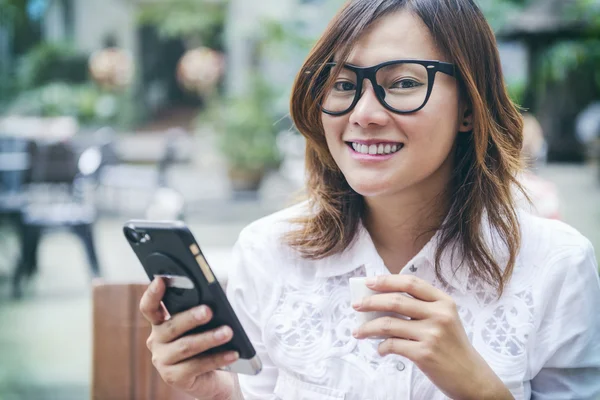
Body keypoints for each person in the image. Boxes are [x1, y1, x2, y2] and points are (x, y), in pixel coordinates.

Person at [139, 0, 600, 399]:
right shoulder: (267, 252)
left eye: (402, 84)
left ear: (468, 106)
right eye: (342, 84)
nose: (364, 114)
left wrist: (479, 388)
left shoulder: (556, 266)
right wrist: (221, 392)